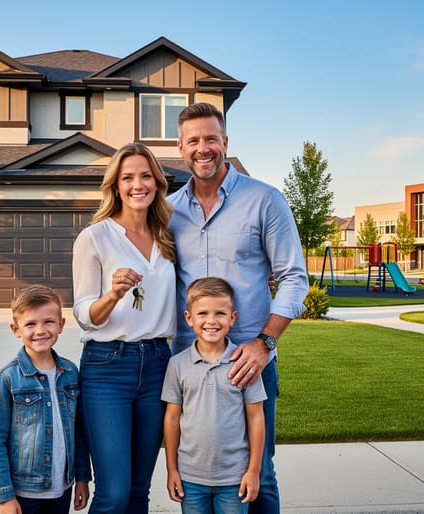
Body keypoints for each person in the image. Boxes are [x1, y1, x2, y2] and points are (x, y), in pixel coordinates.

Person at [168, 102, 309, 514]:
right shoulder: (169, 210)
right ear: (181, 147)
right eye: (193, 140)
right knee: (195, 474)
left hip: (250, 359)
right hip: (190, 365)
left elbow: (294, 277)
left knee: (259, 475)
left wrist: (265, 342)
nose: (203, 148)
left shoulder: (265, 200)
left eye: (211, 138)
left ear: (225, 142)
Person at [72, 142, 176, 513]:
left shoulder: (168, 236)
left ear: (157, 183)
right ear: (115, 186)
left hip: (158, 363)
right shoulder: (95, 237)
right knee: (113, 494)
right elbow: (84, 314)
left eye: (146, 176)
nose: (138, 184)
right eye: (127, 177)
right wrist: (113, 294)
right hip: (107, 366)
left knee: (137, 492)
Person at [162, 277, 267, 514]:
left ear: (233, 318)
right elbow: (171, 418)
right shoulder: (177, 364)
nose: (211, 321)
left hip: (234, 478)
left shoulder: (243, 363)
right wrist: (172, 470)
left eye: (220, 313)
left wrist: (253, 471)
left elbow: (256, 417)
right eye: (202, 313)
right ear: (189, 318)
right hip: (191, 477)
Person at [0, 285, 91, 514]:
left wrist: (82, 477)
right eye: (30, 324)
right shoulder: (7, 379)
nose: (40, 330)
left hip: (62, 488)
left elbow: (79, 431)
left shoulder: (70, 373)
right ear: (16, 329)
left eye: (49, 322)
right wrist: (5, 496)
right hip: (24, 493)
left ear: (61, 325)